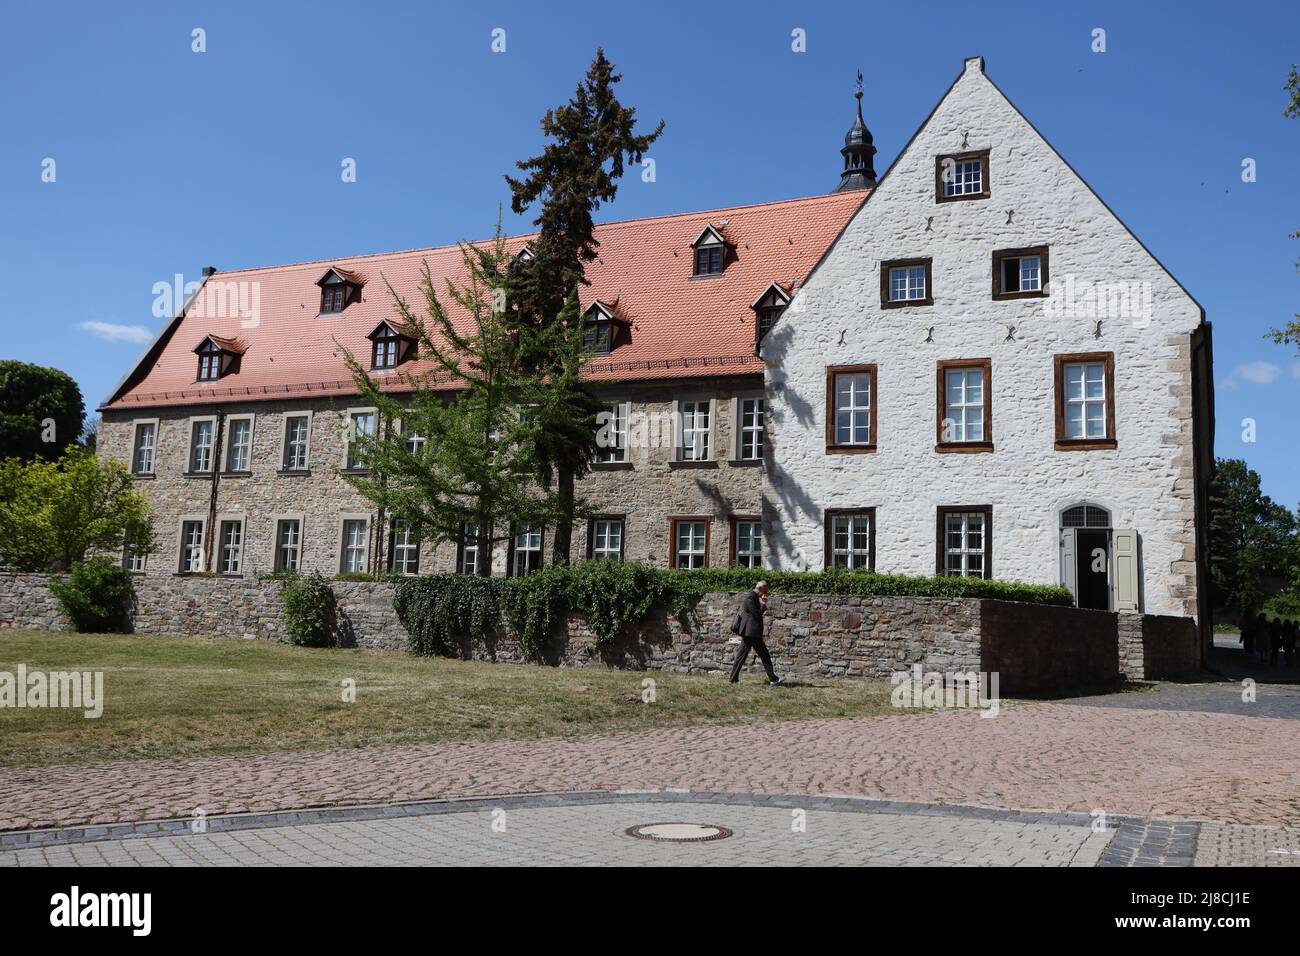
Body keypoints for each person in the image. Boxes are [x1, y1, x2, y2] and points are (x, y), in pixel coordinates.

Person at [728, 581, 784, 686]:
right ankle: (773, 679)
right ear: (761, 588)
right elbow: (756, 614)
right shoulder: (750, 597)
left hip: (751, 632)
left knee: (743, 656)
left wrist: (762, 603)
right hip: (751, 632)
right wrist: (763, 603)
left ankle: (733, 679)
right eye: (766, 590)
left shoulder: (753, 596)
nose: (766, 593)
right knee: (764, 655)